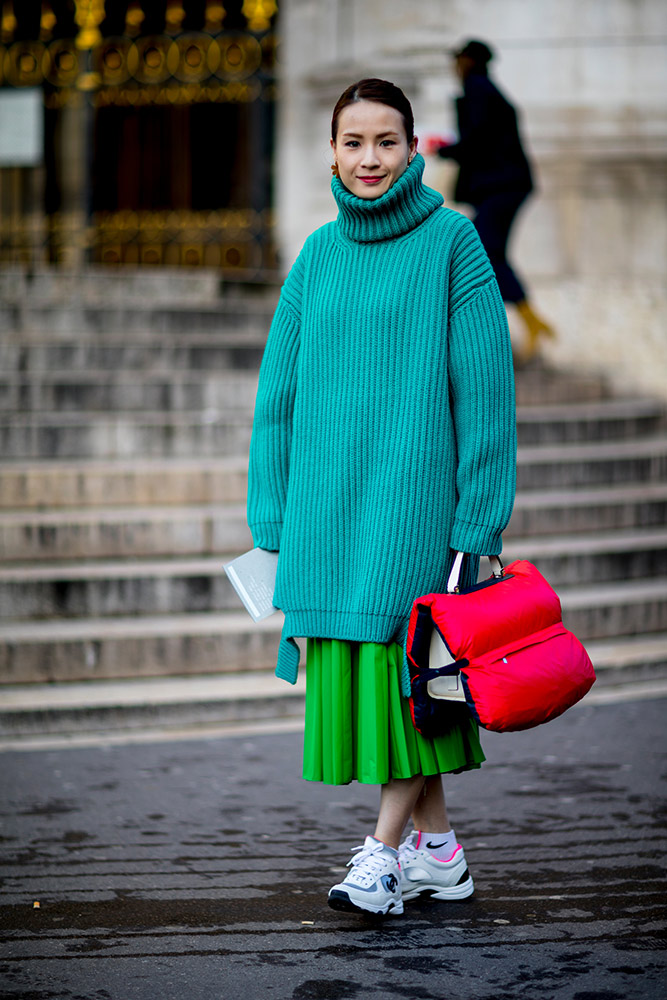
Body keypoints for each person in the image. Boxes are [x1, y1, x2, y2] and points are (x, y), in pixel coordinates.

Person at [247, 78, 516, 917]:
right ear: (331, 151)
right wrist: (270, 517)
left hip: (414, 515)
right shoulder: (317, 255)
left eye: (386, 141)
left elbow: (485, 394)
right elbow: (277, 395)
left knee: (403, 688)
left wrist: (478, 521)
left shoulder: (453, 244)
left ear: (413, 149)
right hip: (326, 515)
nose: (369, 158)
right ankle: (439, 853)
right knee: (388, 692)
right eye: (353, 142)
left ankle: (380, 853)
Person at [435, 39, 554, 361]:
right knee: (489, 253)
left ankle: (496, 330)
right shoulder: (486, 91)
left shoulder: (478, 90)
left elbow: (476, 140)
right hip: (503, 186)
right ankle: (531, 322)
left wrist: (445, 149)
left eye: (459, 60)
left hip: (501, 186)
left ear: (469, 61)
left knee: (481, 254)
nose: (455, 67)